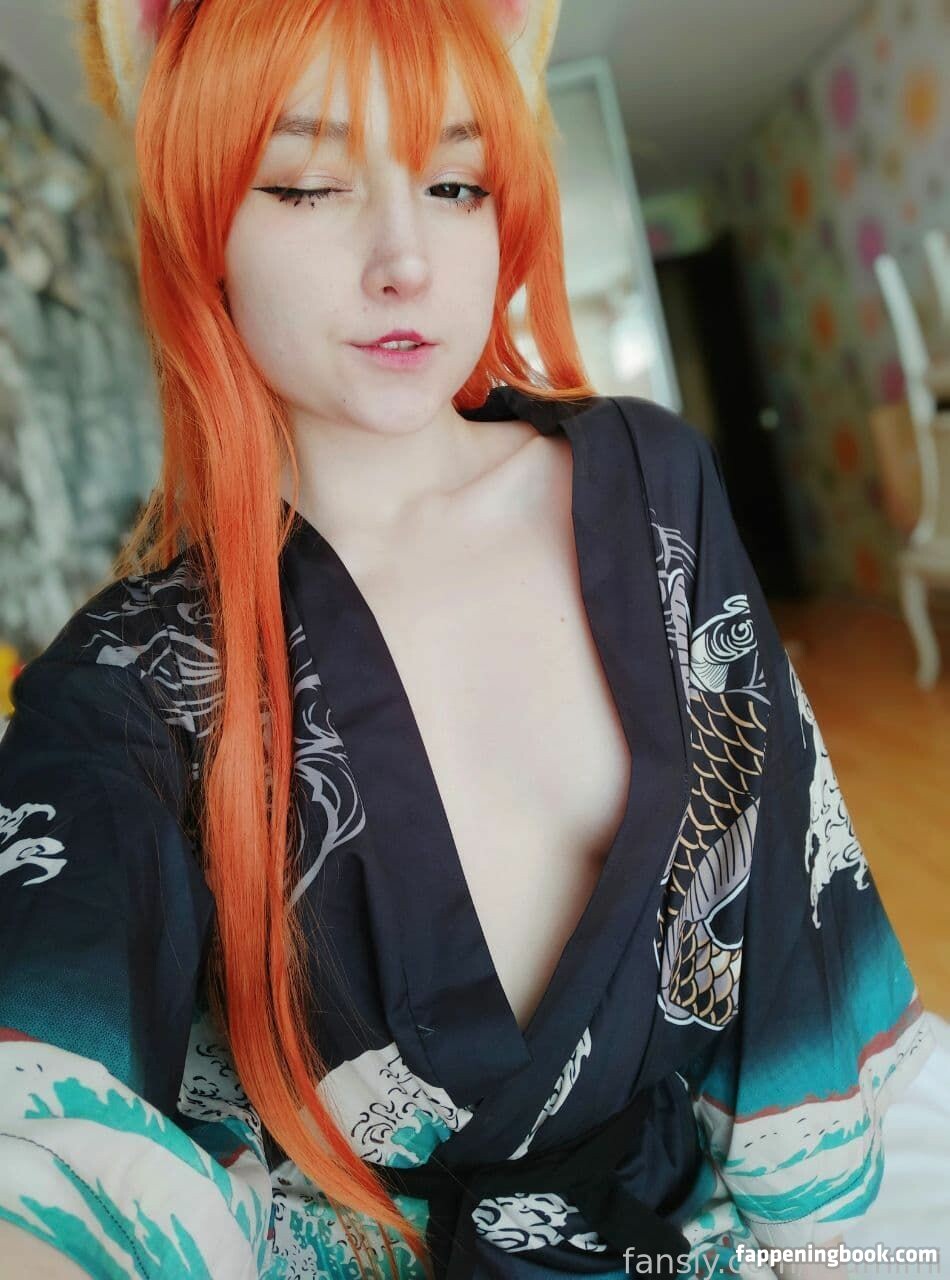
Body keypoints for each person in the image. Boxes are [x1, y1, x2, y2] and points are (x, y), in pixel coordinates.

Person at [0, 0, 936, 1277]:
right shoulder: (131, 675)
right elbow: (44, 1108)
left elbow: (788, 938)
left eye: (454, 183)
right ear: (200, 222)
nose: (405, 261)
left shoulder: (652, 486)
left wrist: (838, 1246)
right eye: (307, 184)